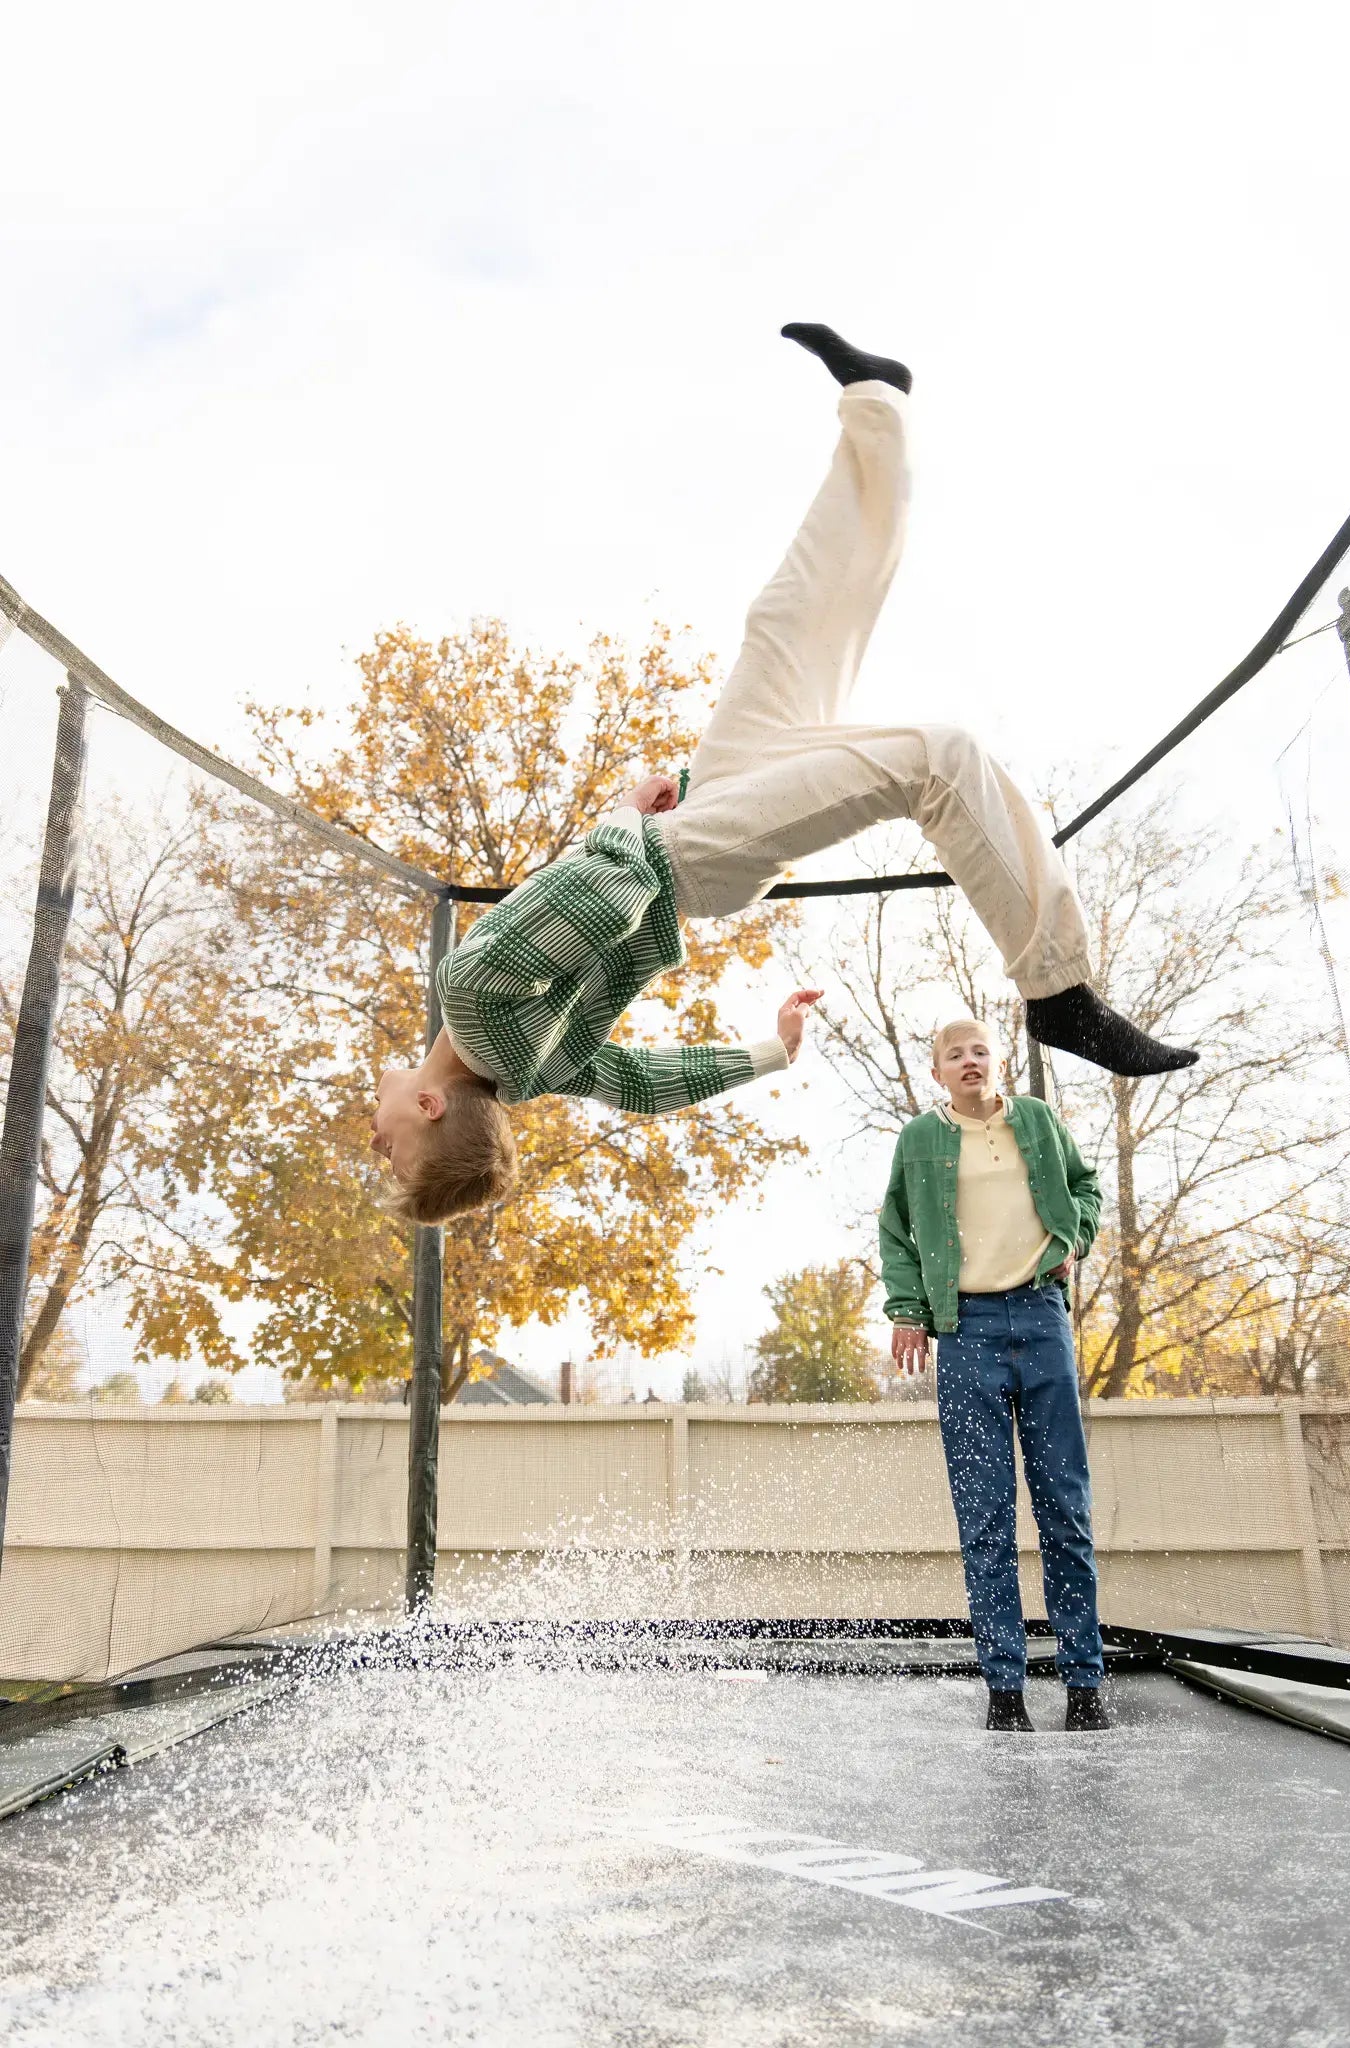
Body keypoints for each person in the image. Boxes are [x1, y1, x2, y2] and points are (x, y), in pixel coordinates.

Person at [371, 323, 1196, 1224]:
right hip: (681, 853)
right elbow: (600, 902)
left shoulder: (533, 1066)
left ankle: (877, 405)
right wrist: (620, 819)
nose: (372, 1141)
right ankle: (1059, 993)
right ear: (428, 1104)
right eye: (391, 1151)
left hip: (691, 843)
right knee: (937, 761)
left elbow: (646, 1083)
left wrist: (773, 1053)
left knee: (798, 626)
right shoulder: (475, 994)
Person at [880, 1017, 1109, 1732]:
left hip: (1042, 1319)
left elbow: (1087, 1191)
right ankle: (1004, 1692)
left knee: (1064, 1513)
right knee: (985, 1520)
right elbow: (895, 1230)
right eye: (955, 1054)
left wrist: (1071, 1238)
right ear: (938, 1071)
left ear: (997, 1061)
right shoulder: (919, 1140)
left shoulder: (1037, 1121)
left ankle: (1084, 1685)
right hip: (966, 1331)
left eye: (980, 1050)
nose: (970, 1060)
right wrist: (907, 1309)